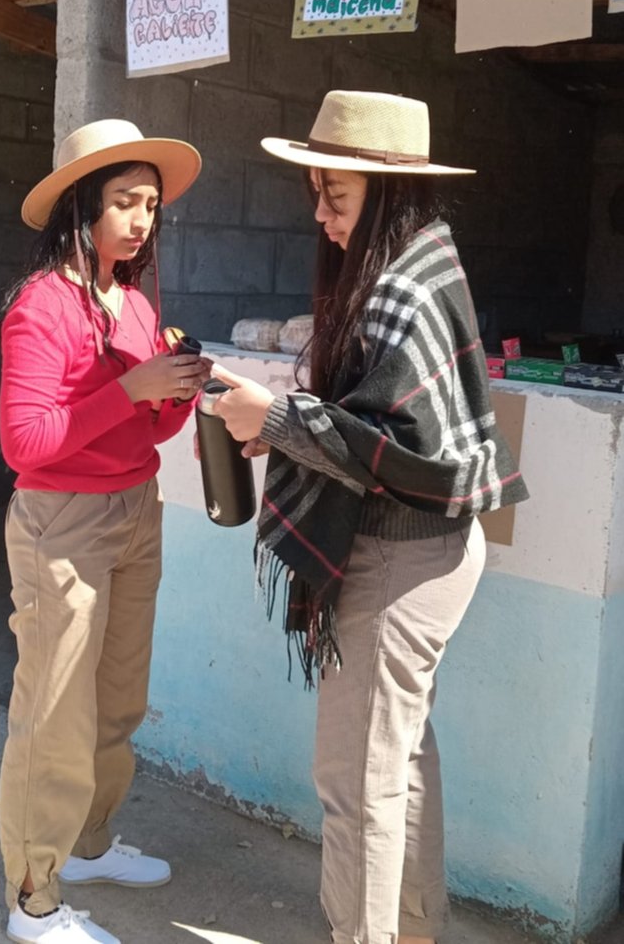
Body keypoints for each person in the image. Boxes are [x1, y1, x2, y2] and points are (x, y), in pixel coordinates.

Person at [211, 90, 528, 944]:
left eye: (335, 196)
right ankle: (414, 932)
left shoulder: (401, 290)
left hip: (400, 565)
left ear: (384, 195)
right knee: (398, 769)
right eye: (315, 191)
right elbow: (373, 429)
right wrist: (283, 429)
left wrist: (277, 422)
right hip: (426, 555)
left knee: (354, 787)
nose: (319, 215)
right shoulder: (423, 264)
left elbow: (400, 452)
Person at [0, 119, 209, 944]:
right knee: (53, 715)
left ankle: (85, 846)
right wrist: (131, 388)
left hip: (133, 512)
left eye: (150, 205)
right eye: (124, 202)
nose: (141, 219)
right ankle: (32, 899)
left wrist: (176, 391)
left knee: (118, 701)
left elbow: (144, 434)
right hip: (62, 524)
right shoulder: (40, 306)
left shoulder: (134, 302)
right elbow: (26, 444)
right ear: (81, 206)